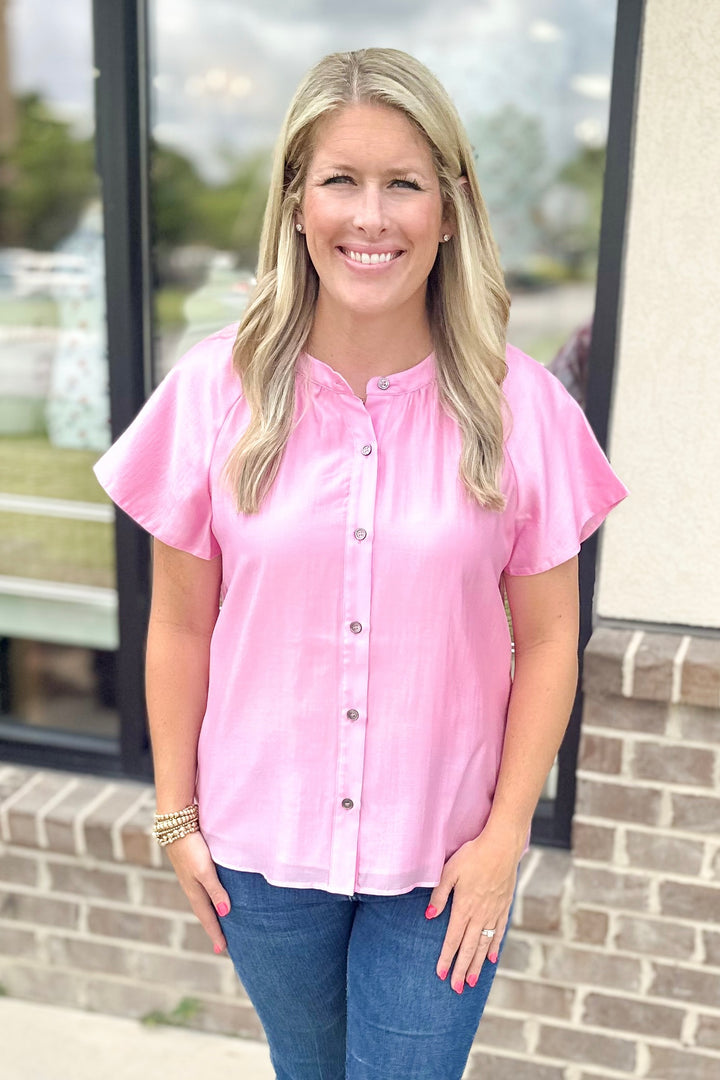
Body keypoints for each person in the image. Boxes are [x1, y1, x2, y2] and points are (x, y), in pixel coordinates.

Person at [93, 47, 628, 1080]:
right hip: (263, 856)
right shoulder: (215, 393)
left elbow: (554, 637)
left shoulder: (523, 410)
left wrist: (506, 836)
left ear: (450, 204)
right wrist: (174, 815)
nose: (370, 217)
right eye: (341, 179)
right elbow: (178, 624)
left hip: (443, 863)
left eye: (404, 183)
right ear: (297, 201)